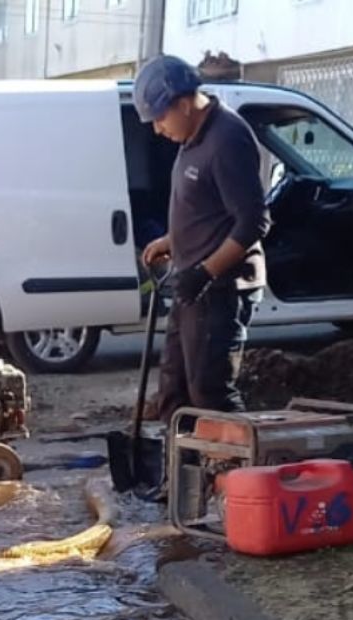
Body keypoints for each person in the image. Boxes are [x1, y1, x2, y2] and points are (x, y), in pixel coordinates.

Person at [133, 55, 269, 426]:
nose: (158, 129)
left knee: (210, 392)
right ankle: (181, 477)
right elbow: (206, 209)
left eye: (160, 118)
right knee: (174, 390)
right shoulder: (192, 137)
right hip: (193, 285)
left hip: (221, 289)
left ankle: (238, 480)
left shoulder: (227, 139)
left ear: (183, 102)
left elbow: (253, 222)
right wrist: (172, 241)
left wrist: (205, 272)